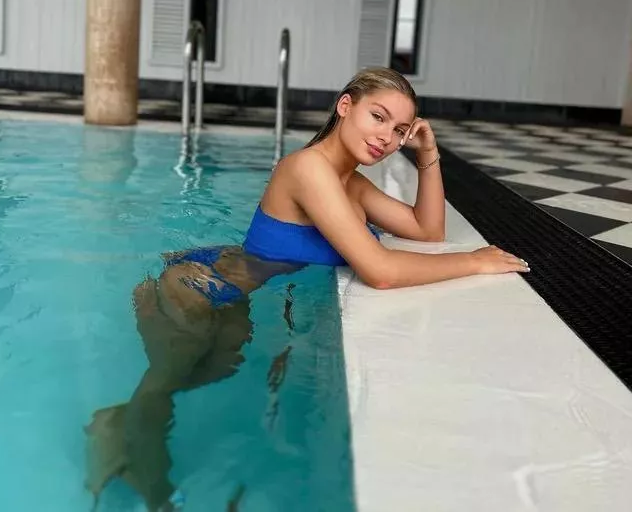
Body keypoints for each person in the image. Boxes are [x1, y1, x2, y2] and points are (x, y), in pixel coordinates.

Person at [85, 67, 529, 511]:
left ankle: (115, 423)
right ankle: (153, 491)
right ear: (345, 106)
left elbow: (428, 230)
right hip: (200, 286)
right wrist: (474, 261)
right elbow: (380, 271)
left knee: (207, 374)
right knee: (165, 382)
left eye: (399, 130)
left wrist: (428, 152)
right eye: (378, 117)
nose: (386, 137)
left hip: (236, 292)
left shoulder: (352, 184)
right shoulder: (307, 168)